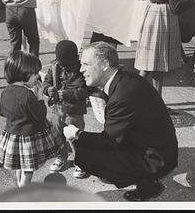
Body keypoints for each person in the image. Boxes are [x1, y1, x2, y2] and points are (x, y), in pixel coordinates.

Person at [63, 42, 178, 201]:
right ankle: (148, 184)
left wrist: (76, 134)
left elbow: (107, 140)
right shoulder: (124, 78)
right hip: (159, 147)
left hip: (157, 159)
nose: (81, 69)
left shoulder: (122, 94)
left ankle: (146, 181)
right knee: (100, 147)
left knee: (87, 155)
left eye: (86, 64)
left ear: (105, 64)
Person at [0, 51, 60, 187]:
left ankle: (20, 186)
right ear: (24, 73)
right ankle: (24, 192)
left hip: (13, 135)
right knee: (28, 170)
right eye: (35, 73)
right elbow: (40, 116)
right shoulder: (27, 95)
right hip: (28, 138)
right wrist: (40, 97)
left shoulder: (5, 91)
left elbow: (1, 111)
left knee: (20, 164)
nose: (37, 76)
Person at [43, 40, 88, 178]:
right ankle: (61, 157)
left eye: (67, 65)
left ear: (75, 58)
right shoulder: (54, 66)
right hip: (56, 110)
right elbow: (46, 81)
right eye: (61, 64)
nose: (63, 67)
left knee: (75, 137)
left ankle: (81, 162)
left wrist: (70, 94)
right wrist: (47, 89)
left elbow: (87, 89)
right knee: (57, 136)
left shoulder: (82, 69)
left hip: (74, 112)